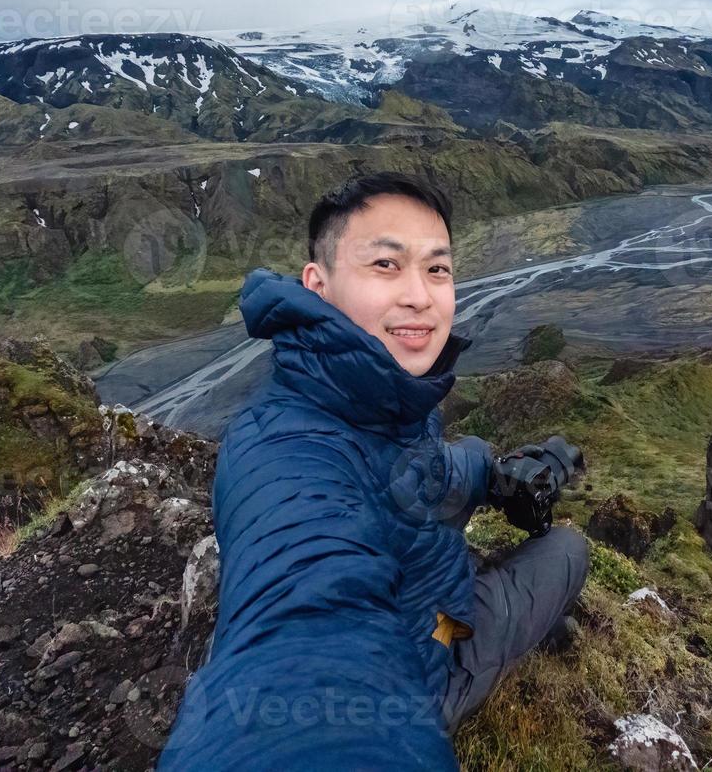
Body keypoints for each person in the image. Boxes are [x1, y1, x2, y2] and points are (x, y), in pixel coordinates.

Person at [158, 171, 589, 771]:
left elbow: (426, 475)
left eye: (437, 269)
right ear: (319, 283)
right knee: (568, 549)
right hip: (425, 661)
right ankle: (490, 657)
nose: (419, 294)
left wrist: (494, 474)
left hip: (429, 603)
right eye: (386, 265)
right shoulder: (283, 452)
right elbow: (307, 625)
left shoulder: (383, 402)